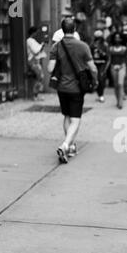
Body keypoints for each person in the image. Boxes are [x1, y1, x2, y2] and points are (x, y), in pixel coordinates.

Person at [48, 18, 98, 164]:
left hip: (61, 87)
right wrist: (95, 80)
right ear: (74, 29)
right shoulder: (83, 46)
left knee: (67, 116)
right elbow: (93, 68)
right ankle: (65, 145)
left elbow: (50, 69)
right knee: (76, 120)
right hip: (76, 87)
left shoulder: (56, 47)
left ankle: (69, 146)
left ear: (62, 29)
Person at [26, 26, 47, 101]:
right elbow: (36, 51)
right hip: (33, 62)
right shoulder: (30, 40)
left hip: (34, 61)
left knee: (38, 78)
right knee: (40, 77)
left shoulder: (31, 40)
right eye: (36, 32)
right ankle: (35, 95)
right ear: (33, 33)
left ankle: (35, 95)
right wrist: (41, 45)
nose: (37, 34)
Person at [90, 30, 110, 103]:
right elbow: (89, 55)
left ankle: (101, 95)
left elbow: (107, 57)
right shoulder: (92, 45)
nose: (98, 39)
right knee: (95, 80)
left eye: (99, 38)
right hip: (94, 64)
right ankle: (99, 94)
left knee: (101, 80)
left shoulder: (105, 45)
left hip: (102, 64)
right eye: (97, 38)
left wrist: (100, 52)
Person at [109, 32, 127, 110]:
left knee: (120, 84)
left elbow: (126, 59)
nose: (117, 39)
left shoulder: (124, 48)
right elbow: (109, 60)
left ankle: (120, 103)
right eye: (116, 37)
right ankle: (117, 101)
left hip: (122, 67)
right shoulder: (111, 48)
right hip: (113, 67)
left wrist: (122, 66)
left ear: (121, 39)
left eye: (119, 37)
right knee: (116, 85)